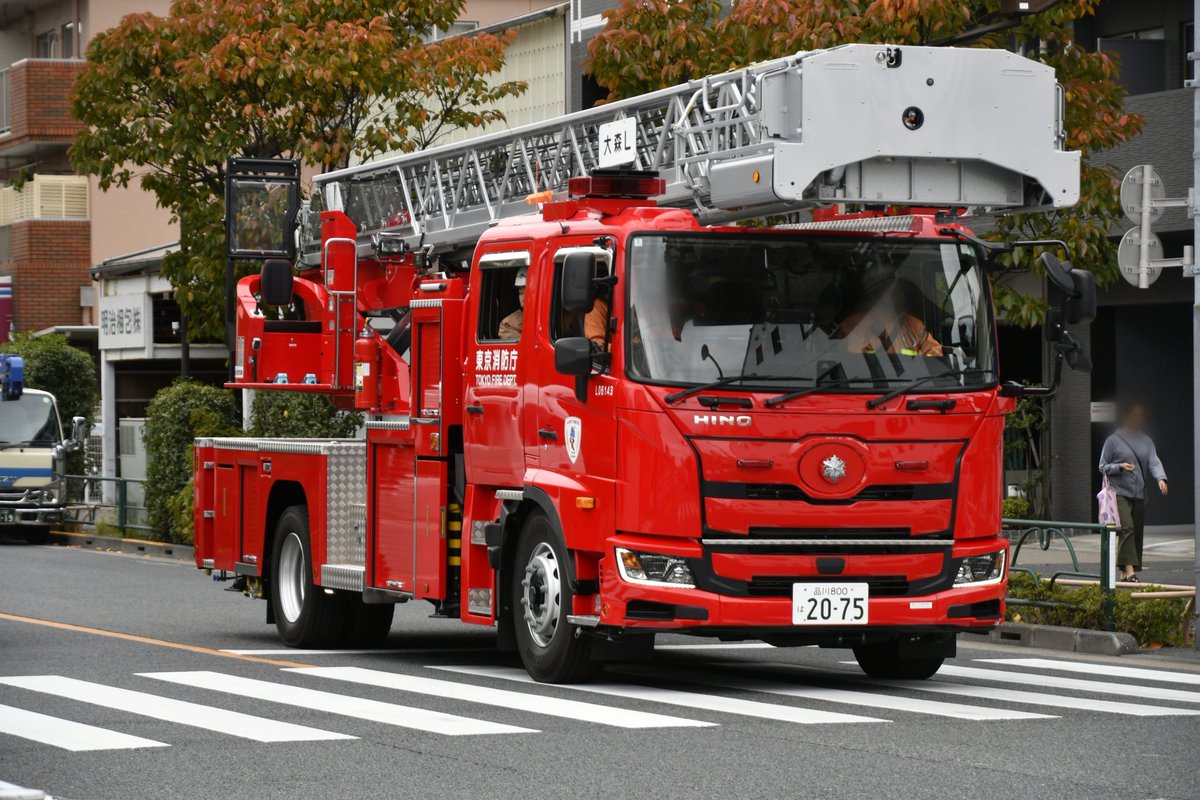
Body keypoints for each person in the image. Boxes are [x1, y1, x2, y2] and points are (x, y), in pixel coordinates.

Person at [1098, 401, 1168, 582]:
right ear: (1125, 417)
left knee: (1136, 532)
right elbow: (1102, 466)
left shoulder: (1146, 441)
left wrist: (1161, 478)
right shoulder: (1113, 441)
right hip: (1118, 492)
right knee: (1127, 529)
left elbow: (1154, 461)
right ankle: (1130, 572)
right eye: (1135, 415)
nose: (1139, 419)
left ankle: (1123, 573)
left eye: (1140, 416)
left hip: (1139, 493)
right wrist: (1119, 466)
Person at [838, 262, 942, 356]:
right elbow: (853, 366)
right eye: (892, 288)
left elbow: (936, 358)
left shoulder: (913, 325)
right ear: (874, 295)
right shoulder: (856, 326)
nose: (898, 292)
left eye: (899, 287)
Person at [497, 267, 527, 339]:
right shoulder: (508, 324)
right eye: (521, 293)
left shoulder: (554, 316)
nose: (524, 298)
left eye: (529, 292)